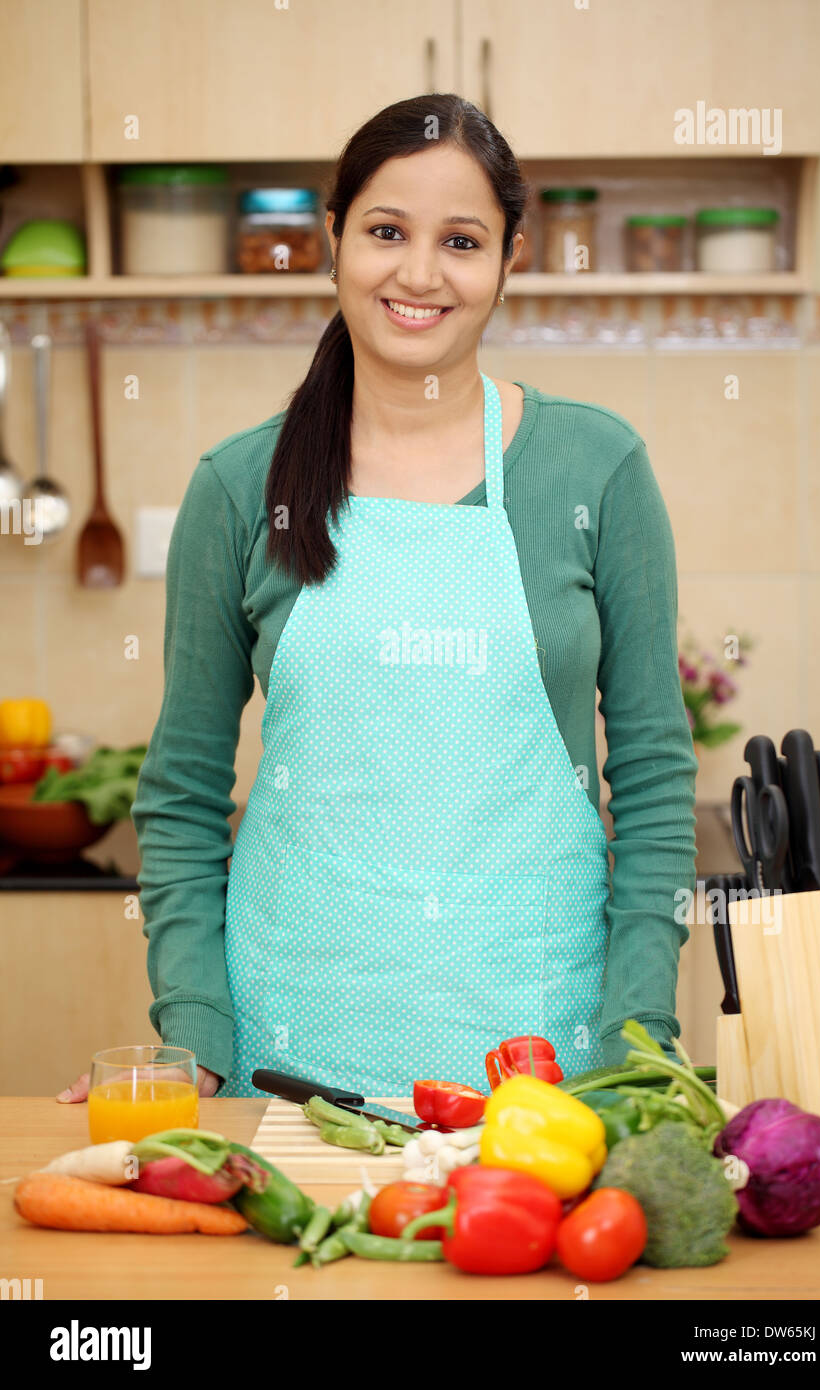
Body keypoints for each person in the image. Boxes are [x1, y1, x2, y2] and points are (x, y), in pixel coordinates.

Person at [57, 93, 697, 1107]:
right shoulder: (238, 486)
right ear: (331, 240)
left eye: (461, 240)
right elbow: (178, 795)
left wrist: (634, 1045)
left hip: (547, 1078)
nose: (418, 273)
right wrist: (194, 1034)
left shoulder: (595, 468)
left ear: (509, 258)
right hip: (289, 1065)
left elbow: (656, 782)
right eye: (386, 231)